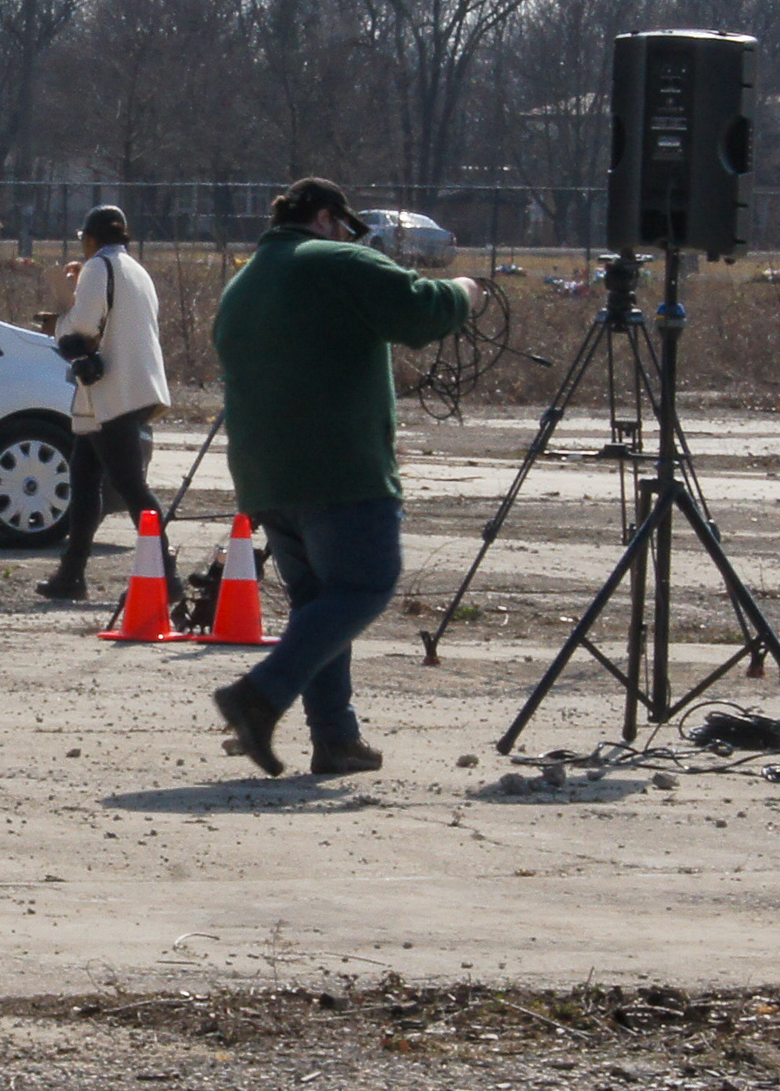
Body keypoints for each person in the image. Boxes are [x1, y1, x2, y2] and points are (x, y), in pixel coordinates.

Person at [205, 176, 475, 777]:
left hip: (265, 475)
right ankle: (258, 694)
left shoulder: (244, 283)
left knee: (319, 607)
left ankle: (335, 738)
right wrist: (463, 291)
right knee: (365, 586)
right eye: (350, 228)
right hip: (339, 468)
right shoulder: (335, 259)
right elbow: (419, 312)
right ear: (327, 219)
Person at [40, 203, 172, 604]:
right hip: (132, 387)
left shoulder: (99, 267)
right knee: (83, 477)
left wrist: (54, 325)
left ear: (91, 239)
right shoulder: (135, 269)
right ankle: (71, 572)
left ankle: (169, 575)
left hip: (110, 391)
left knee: (132, 487)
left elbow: (81, 327)